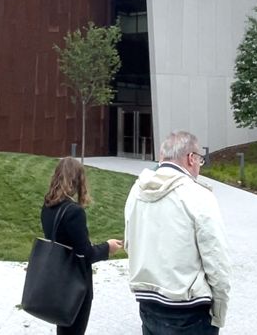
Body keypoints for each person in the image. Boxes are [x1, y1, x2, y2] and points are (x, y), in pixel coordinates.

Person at [125, 130, 232, 334]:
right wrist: (219, 312)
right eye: (200, 160)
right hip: (189, 309)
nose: (199, 166)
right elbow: (216, 260)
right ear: (191, 158)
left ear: (162, 156)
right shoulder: (198, 195)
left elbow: (130, 243)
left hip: (147, 302)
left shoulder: (136, 191)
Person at [41, 157, 123, 335]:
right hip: (74, 284)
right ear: (78, 180)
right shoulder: (74, 212)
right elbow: (85, 254)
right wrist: (107, 247)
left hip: (56, 279)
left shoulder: (48, 205)